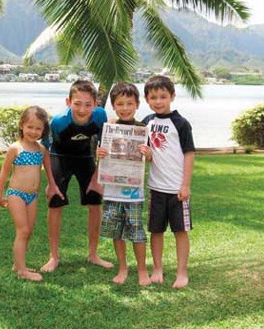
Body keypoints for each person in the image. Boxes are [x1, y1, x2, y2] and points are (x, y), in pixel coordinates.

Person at [40, 79, 113, 272]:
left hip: (85, 157)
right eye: (77, 103)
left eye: (88, 104)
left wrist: (97, 178)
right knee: (55, 202)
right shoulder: (58, 121)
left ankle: (93, 254)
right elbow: (45, 150)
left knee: (95, 202)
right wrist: (50, 182)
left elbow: (103, 146)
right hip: (60, 158)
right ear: (68, 102)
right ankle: (53, 256)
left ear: (96, 103)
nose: (82, 109)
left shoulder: (100, 116)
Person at [0, 106, 61, 281]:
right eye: (30, 127)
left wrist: (53, 187)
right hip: (16, 194)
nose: (33, 131)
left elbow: (48, 172)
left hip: (32, 196)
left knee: (29, 231)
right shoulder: (15, 148)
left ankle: (19, 264)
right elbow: (4, 173)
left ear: (43, 130)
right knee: (23, 230)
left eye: (38, 128)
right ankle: (22, 271)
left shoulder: (41, 151)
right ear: (22, 125)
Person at [142, 75, 195, 288]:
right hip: (156, 188)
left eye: (163, 96)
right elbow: (149, 155)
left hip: (177, 190)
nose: (158, 101)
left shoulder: (181, 124)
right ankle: (157, 269)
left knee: (180, 231)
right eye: (153, 97)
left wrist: (185, 185)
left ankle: (182, 273)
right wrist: (146, 155)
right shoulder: (147, 122)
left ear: (171, 96)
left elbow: (189, 154)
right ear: (147, 99)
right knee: (156, 230)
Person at [97, 82, 152, 286]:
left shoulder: (143, 130)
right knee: (116, 232)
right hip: (112, 192)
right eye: (120, 103)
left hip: (134, 193)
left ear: (137, 104)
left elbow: (152, 160)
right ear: (113, 105)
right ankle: (122, 267)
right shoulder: (109, 128)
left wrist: (149, 154)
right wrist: (99, 154)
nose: (125, 107)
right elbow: (101, 157)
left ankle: (142, 270)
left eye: (130, 103)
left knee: (137, 232)